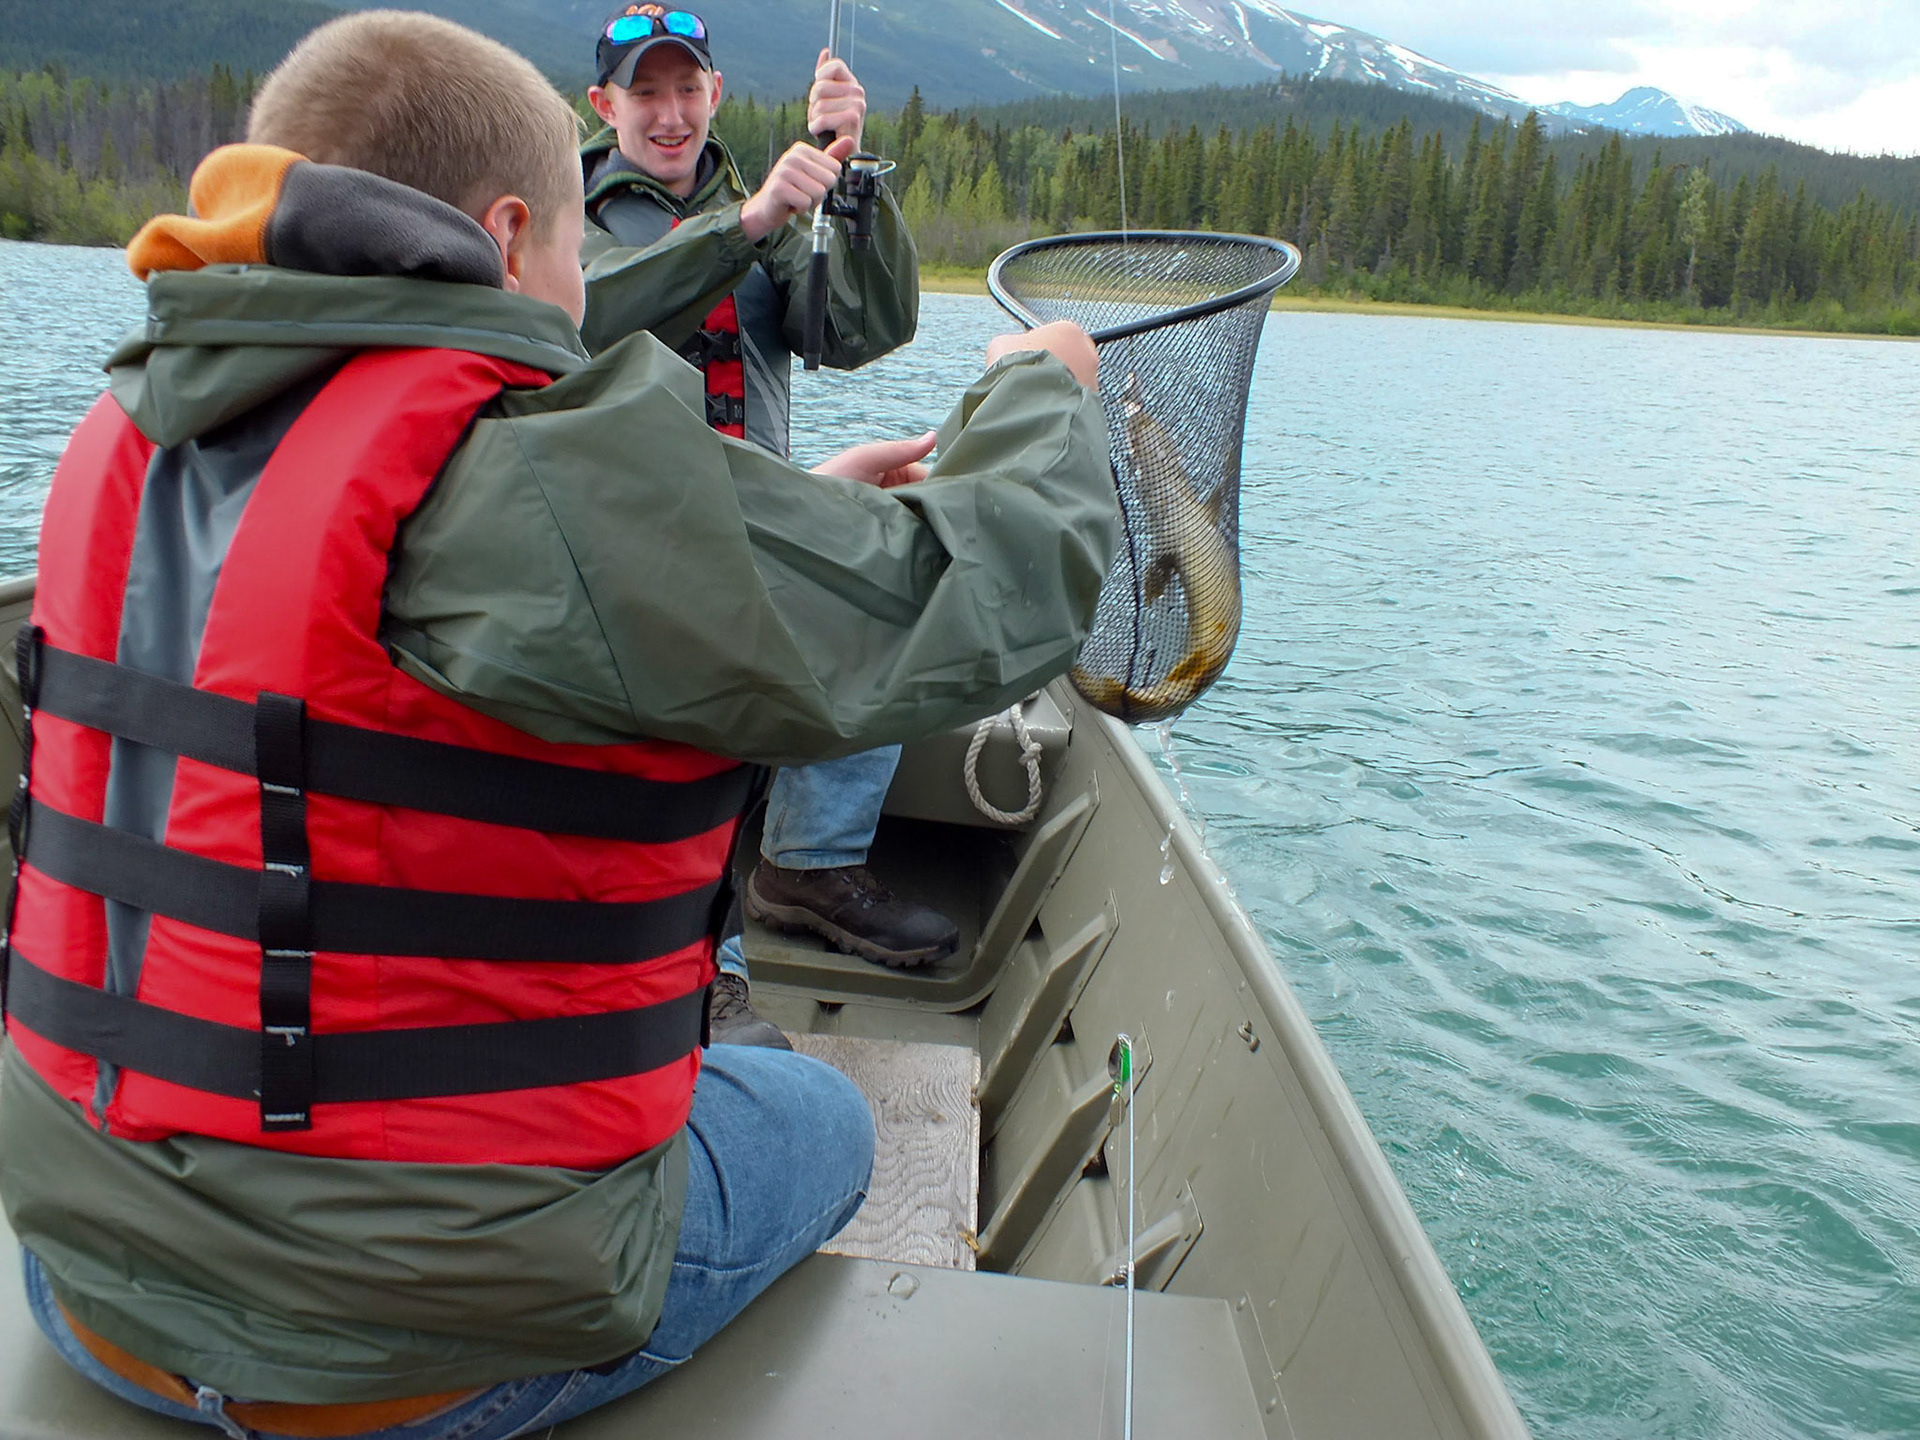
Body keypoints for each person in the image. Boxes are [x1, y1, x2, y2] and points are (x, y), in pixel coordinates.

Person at [0, 13, 1115, 1440]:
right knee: (818, 1120)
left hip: (92, 1288)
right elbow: (985, 591)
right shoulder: (520, 465)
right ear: (513, 233)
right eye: (578, 263)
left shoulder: (128, 438)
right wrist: (1044, 389)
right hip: (416, 1366)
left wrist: (796, 499)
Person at [579, 6, 955, 1053]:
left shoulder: (775, 211)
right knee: (676, 732)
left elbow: (859, 332)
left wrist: (852, 187)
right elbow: (587, 315)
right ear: (604, 106)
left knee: (895, 573)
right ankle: (715, 975)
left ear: (715, 96)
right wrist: (737, 230)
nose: (668, 113)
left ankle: (810, 864)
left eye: (685, 88)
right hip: (617, 551)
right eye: (644, 93)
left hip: (757, 528)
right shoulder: (565, 214)